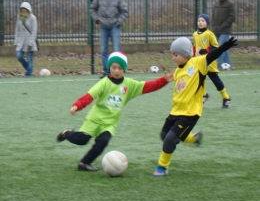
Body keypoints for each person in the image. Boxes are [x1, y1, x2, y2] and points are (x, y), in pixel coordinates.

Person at [57, 51, 174, 171]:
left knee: (102, 142)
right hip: (95, 119)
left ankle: (84, 163)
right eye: (113, 67)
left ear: (124, 69)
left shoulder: (129, 85)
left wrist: (164, 80)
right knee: (82, 140)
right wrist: (77, 105)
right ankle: (67, 133)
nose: (116, 71)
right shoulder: (104, 83)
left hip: (110, 123)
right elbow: (90, 96)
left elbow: (148, 86)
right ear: (109, 68)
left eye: (119, 68)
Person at [153, 36, 237, 177]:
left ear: (185, 54)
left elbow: (211, 55)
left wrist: (224, 47)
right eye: (172, 54)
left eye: (176, 54)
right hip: (175, 111)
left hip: (190, 114)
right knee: (164, 135)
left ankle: (162, 167)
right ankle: (194, 138)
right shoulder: (178, 70)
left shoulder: (198, 63)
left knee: (169, 140)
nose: (173, 58)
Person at [90, 0, 128, 79]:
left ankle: (118, 72)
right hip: (103, 27)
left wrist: (118, 22)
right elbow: (92, 9)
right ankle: (107, 73)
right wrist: (97, 19)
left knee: (116, 50)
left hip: (114, 27)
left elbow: (125, 11)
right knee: (103, 51)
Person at [192, 14, 231, 108]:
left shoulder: (209, 34)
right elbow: (194, 47)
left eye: (203, 21)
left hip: (210, 61)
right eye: (199, 21)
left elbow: (215, 46)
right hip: (199, 62)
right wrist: (193, 57)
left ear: (207, 23)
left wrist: (206, 50)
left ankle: (226, 98)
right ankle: (204, 95)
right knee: (197, 80)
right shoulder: (194, 34)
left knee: (215, 80)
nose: (200, 22)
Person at [211, 0, 236, 70]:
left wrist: (224, 25)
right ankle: (229, 65)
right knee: (224, 49)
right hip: (216, 30)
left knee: (220, 47)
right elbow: (213, 15)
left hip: (225, 30)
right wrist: (213, 25)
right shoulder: (216, 3)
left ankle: (217, 65)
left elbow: (232, 17)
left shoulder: (230, 4)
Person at [14, 2, 38, 76]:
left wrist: (31, 43)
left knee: (30, 59)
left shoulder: (33, 18)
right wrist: (15, 42)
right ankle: (28, 68)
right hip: (21, 41)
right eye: (22, 9)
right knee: (19, 56)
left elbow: (34, 31)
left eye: (24, 9)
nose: (23, 10)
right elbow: (17, 30)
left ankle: (28, 74)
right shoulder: (19, 17)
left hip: (29, 41)